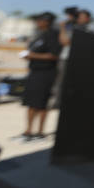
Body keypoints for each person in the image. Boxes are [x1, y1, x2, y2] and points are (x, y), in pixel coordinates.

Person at [19, 11, 61, 140]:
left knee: (41, 102)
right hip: (34, 71)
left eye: (39, 20)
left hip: (46, 73)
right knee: (31, 102)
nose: (37, 22)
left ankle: (40, 131)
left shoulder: (53, 35)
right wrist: (28, 56)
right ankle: (29, 130)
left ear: (46, 21)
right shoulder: (38, 35)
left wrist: (33, 55)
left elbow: (53, 55)